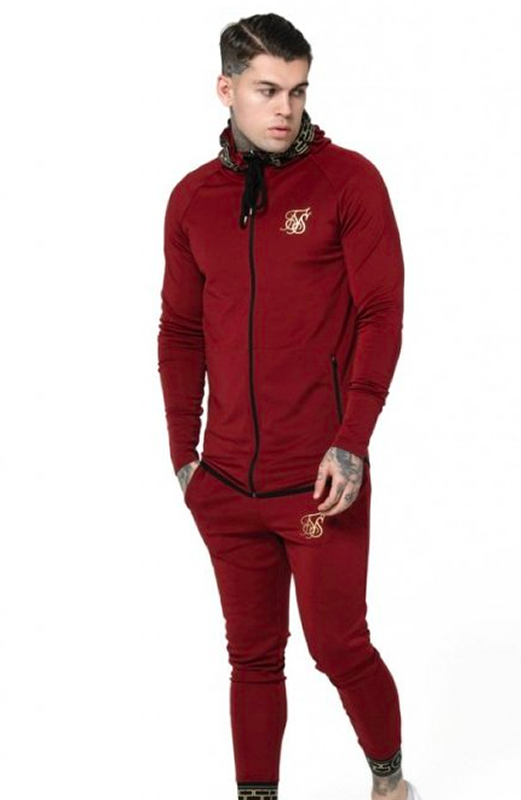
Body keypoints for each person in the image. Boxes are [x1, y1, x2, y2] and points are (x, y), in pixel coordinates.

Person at [157, 13, 422, 800]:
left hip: (319, 477)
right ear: (225, 88)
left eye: (298, 91)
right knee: (250, 657)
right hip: (224, 483)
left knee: (337, 646)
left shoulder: (347, 181)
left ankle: (390, 784)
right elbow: (180, 330)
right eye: (267, 90)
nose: (285, 108)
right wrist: (183, 457)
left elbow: (381, 314)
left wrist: (351, 441)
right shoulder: (192, 200)